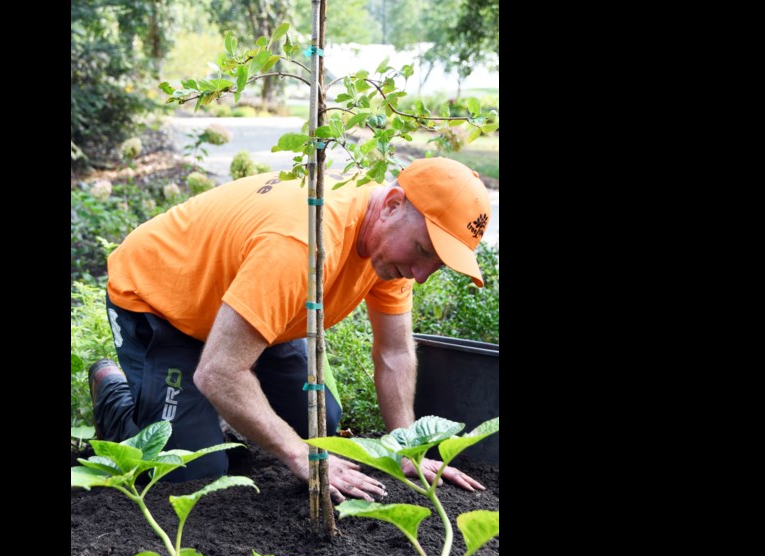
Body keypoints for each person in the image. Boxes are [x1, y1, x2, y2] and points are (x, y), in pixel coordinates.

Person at [88, 157, 492, 502]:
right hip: (162, 303)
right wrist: (301, 457)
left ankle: (198, 410)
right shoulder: (303, 243)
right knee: (192, 469)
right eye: (424, 251)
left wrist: (406, 447)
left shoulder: (395, 252)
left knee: (320, 425)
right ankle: (115, 396)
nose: (421, 275)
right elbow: (219, 372)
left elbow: (396, 352)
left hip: (247, 311)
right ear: (391, 204)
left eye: (436, 263)